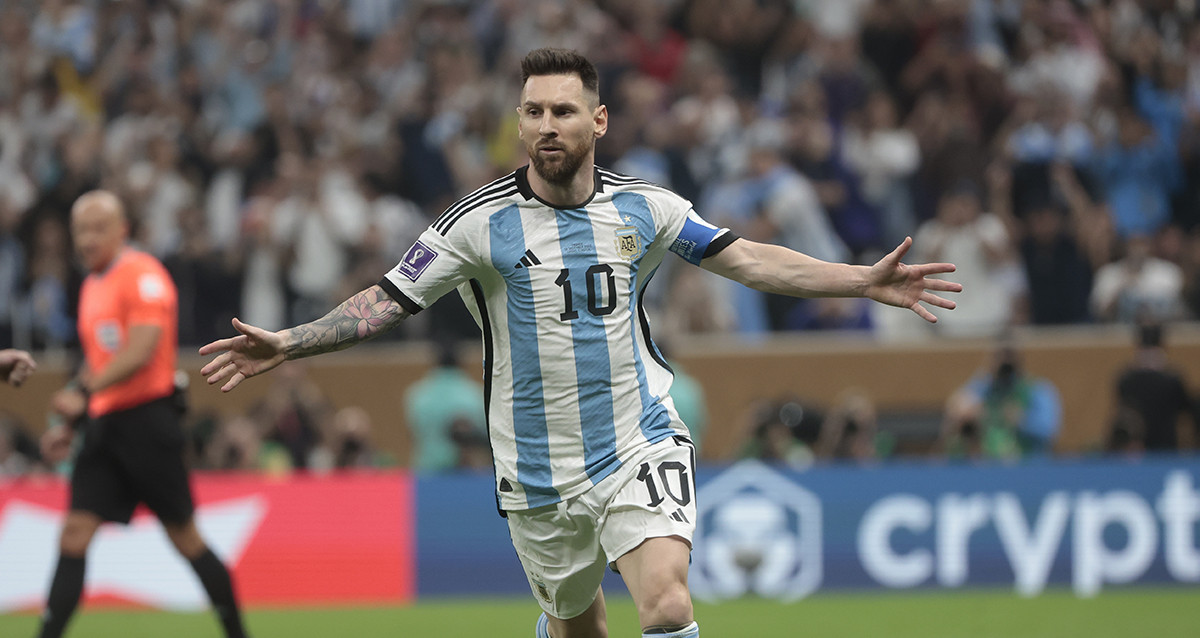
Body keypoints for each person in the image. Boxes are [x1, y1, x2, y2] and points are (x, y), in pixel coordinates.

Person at [199, 49, 960, 638]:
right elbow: (387, 300)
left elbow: (750, 258)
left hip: (638, 438)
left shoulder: (647, 208)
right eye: (532, 112)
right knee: (578, 624)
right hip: (536, 469)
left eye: (563, 110)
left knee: (665, 605)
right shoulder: (473, 225)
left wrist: (862, 280)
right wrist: (291, 343)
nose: (546, 125)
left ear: (597, 121)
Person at [35, 191, 249, 638]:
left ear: (122, 231)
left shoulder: (143, 275)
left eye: (98, 228)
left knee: (185, 538)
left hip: (148, 424)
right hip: (104, 425)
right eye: (81, 230)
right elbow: (100, 359)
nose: (88, 239)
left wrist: (83, 391)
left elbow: (141, 347)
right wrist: (72, 419)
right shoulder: (93, 284)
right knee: (74, 533)